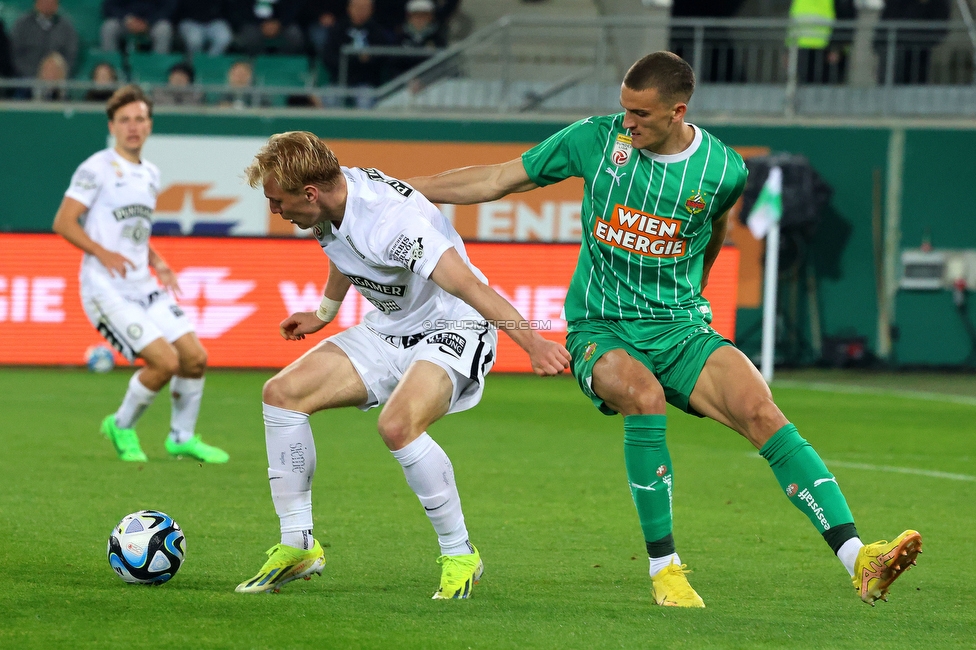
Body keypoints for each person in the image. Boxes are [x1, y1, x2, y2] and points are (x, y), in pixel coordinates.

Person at [408, 51, 922, 608]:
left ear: (678, 111)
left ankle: (859, 560)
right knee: (643, 396)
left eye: (641, 115)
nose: (627, 123)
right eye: (624, 110)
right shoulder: (596, 141)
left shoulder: (724, 170)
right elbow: (496, 177)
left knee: (761, 411)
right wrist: (393, 188)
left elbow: (718, 224)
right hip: (601, 325)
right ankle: (666, 568)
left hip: (678, 325)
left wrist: (695, 289)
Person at [234, 131, 571, 597]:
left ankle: (459, 554)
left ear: (308, 193)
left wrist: (533, 343)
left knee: (398, 425)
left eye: (278, 200)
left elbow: (470, 287)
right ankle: (299, 545)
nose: (276, 210)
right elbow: (344, 250)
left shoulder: (394, 225)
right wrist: (323, 314)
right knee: (282, 395)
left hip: (456, 325)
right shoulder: (332, 198)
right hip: (392, 328)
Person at [52, 85, 228, 465]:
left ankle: (181, 438)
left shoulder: (150, 173)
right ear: (112, 126)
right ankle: (121, 424)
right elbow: (63, 222)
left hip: (143, 284)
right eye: (125, 120)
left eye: (140, 119)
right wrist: (102, 252)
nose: (133, 127)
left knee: (195, 358)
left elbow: (135, 231)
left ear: (149, 125)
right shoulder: (96, 167)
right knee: (164, 363)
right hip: (105, 287)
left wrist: (158, 262)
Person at [323, 0, 390, 107]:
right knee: (330, 98)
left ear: (371, 10)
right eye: (357, 7)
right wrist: (353, 59)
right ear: (349, 8)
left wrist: (370, 59)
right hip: (339, 81)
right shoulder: (338, 29)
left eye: (364, 8)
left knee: (365, 101)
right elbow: (328, 57)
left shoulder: (377, 32)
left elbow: (384, 58)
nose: (360, 11)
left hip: (366, 83)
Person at [11, 0, 79, 80]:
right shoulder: (22, 25)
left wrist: (54, 73)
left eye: (51, 1)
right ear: (36, 3)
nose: (47, 4)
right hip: (25, 79)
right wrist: (32, 75)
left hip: (56, 81)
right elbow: (14, 54)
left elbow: (71, 55)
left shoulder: (67, 27)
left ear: (57, 5)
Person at [231, 0, 305, 56]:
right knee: (250, 36)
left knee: (294, 35)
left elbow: (295, 6)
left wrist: (280, 22)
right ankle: (255, 64)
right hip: (254, 23)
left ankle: (284, 65)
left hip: (282, 23)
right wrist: (260, 23)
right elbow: (240, 7)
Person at [101, 0, 176, 54]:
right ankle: (110, 67)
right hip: (126, 22)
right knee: (109, 27)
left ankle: (158, 67)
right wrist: (127, 19)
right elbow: (108, 6)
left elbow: (169, 8)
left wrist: (148, 22)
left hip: (152, 24)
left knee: (164, 29)